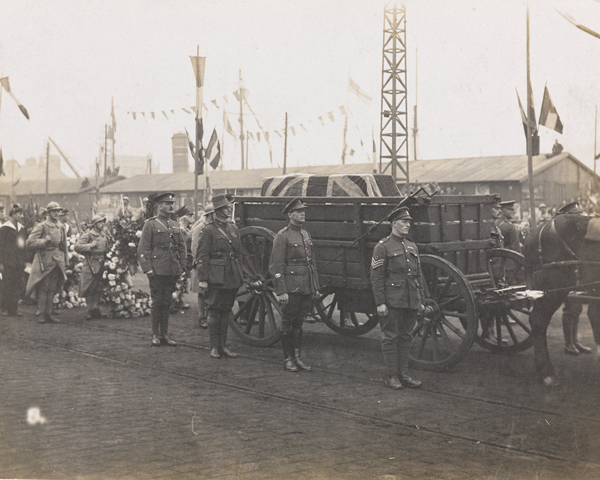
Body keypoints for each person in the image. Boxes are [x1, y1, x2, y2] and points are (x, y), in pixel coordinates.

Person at [371, 207, 424, 390]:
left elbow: (418, 276)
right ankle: (391, 375)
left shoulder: (411, 246)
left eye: (409, 222)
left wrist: (421, 299)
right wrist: (380, 303)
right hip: (392, 300)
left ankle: (404, 374)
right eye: (404, 222)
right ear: (394, 223)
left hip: (410, 299)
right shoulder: (383, 247)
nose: (407, 225)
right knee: (390, 336)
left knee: (406, 336)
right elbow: (377, 278)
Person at [269, 197, 320, 372]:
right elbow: (275, 267)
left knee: (299, 323)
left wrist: (315, 287)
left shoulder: (305, 234)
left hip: (305, 286)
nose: (303, 213)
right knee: (288, 322)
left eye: (303, 211)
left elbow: (311, 263)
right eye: (299, 211)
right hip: (291, 288)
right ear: (290, 214)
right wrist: (281, 291)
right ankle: (287, 359)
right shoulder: (282, 236)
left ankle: (297, 357)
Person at [197, 194, 243, 359]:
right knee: (214, 310)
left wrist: (240, 273)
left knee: (226, 310)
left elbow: (239, 254)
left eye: (228, 207)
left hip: (231, 275)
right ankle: (214, 347)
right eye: (225, 208)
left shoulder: (233, 229)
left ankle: (223, 346)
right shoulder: (208, 230)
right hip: (215, 275)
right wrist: (203, 279)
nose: (229, 209)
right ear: (217, 211)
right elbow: (202, 257)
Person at [137, 192, 186, 346]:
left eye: (172, 203)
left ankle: (164, 334)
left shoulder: (175, 224)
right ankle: (155, 335)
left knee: (167, 302)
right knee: (157, 302)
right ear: (159, 206)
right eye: (167, 203)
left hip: (172, 269)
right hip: (157, 269)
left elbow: (182, 247)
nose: (171, 206)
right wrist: (148, 269)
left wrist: (182, 266)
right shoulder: (150, 224)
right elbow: (142, 249)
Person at [25, 202, 68, 324]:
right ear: (48, 212)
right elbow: (30, 242)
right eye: (54, 211)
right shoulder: (42, 226)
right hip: (44, 260)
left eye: (58, 211)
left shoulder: (61, 226)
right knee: (44, 288)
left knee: (53, 288)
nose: (57, 213)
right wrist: (44, 241)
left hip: (57, 260)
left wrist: (66, 261)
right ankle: (41, 314)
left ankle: (49, 314)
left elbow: (64, 246)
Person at [75, 213, 109, 320]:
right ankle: (90, 310)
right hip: (91, 263)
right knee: (89, 287)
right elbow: (77, 247)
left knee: (98, 287)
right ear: (94, 224)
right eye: (100, 222)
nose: (102, 224)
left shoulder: (104, 234)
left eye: (103, 222)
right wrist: (90, 246)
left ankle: (96, 308)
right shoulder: (88, 235)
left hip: (102, 263)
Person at [0, 205, 28, 316]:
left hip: (18, 261)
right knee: (8, 284)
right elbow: (0, 246)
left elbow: (23, 245)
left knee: (17, 284)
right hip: (8, 261)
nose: (22, 216)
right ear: (13, 215)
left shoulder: (22, 228)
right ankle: (6, 309)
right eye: (19, 214)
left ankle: (14, 309)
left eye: (22, 214)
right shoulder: (4, 228)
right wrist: (1, 263)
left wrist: (24, 260)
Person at [190, 203, 214, 329]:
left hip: (211, 264)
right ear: (210, 215)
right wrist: (199, 262)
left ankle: (209, 317)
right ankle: (201, 317)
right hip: (200, 264)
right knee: (202, 292)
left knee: (210, 292)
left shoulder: (212, 227)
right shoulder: (200, 227)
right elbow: (194, 247)